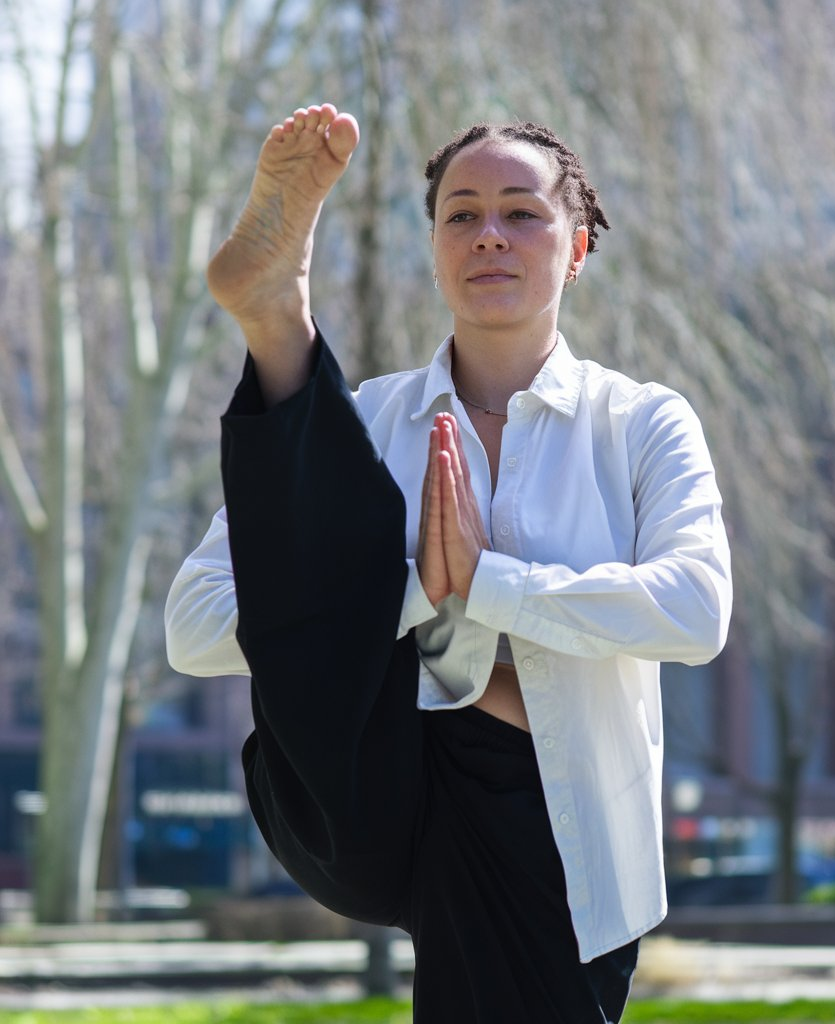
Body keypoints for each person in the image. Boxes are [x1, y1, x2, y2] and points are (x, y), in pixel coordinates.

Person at [165, 102, 732, 1023]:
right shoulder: (376, 424)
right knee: (333, 499)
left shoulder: (641, 422)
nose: (489, 236)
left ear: (578, 246)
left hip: (567, 828)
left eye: (522, 213)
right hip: (372, 788)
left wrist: (487, 584)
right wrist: (399, 593)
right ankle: (279, 329)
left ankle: (280, 336)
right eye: (461, 215)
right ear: (433, 250)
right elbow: (192, 627)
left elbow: (697, 610)